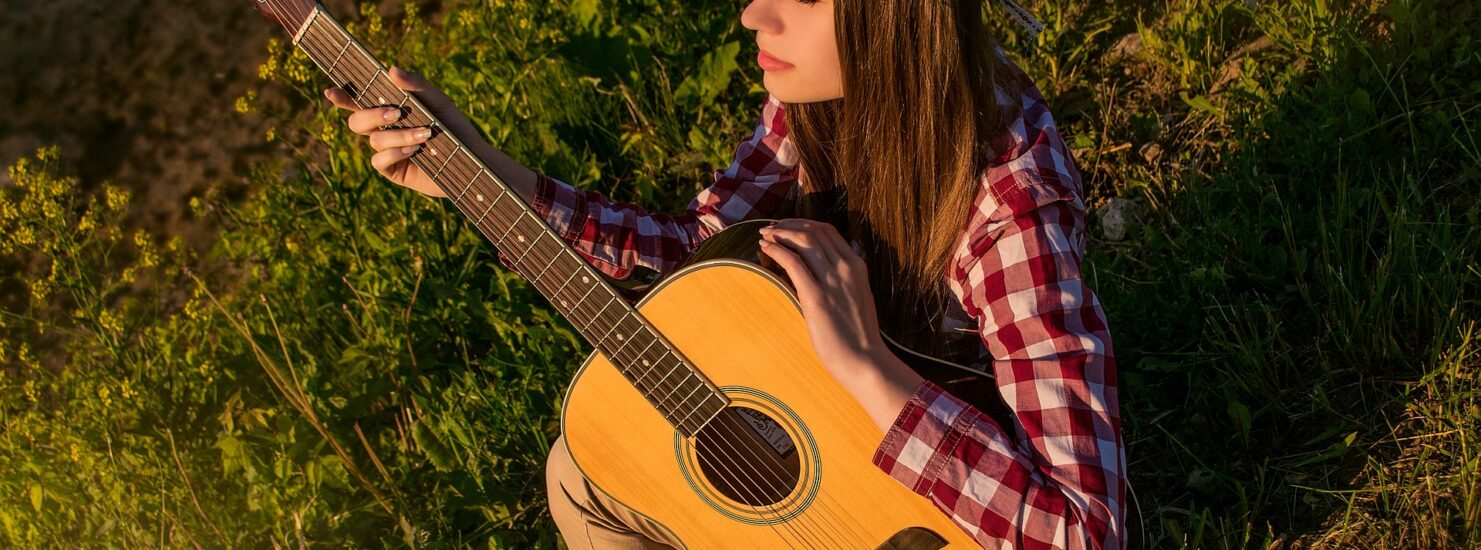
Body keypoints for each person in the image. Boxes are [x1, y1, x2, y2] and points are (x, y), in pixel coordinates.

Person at [324, 0, 1124, 548]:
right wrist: (495, 176)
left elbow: (1085, 531)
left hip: (910, 497)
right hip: (822, 421)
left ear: (895, 18)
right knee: (582, 472)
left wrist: (866, 369)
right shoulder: (815, 96)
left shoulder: (1010, 206)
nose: (751, 14)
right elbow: (697, 245)